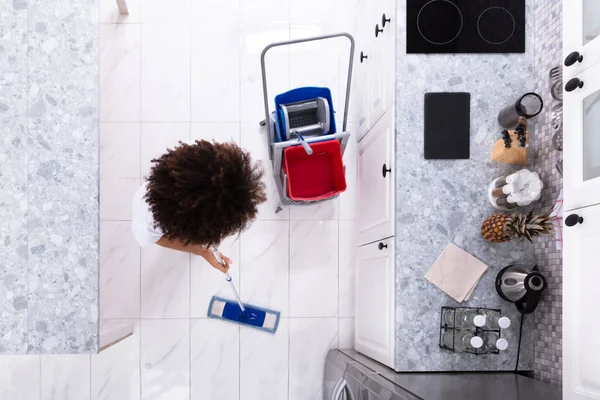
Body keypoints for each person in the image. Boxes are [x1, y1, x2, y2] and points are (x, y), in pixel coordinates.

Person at [131, 139, 266, 273]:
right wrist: (201, 250)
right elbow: (158, 239)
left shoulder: (196, 162)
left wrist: (204, 251)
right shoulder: (147, 223)